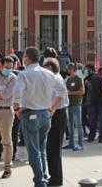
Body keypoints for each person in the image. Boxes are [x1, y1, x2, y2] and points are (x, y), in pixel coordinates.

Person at [13, 47, 56, 187]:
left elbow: (17, 93)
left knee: (33, 152)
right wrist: (52, 108)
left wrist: (17, 109)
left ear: (27, 58)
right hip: (45, 114)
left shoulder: (24, 74)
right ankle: (44, 176)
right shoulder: (49, 74)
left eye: (24, 56)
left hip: (31, 113)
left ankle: (40, 181)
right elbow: (61, 90)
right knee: (41, 149)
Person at [43, 56, 69, 185]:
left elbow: (62, 94)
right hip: (55, 112)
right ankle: (54, 176)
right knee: (51, 147)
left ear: (50, 68)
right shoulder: (53, 78)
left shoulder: (56, 78)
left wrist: (52, 109)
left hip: (58, 113)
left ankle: (56, 178)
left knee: (54, 147)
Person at [86, 66, 102, 143]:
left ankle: (91, 137)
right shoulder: (101, 79)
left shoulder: (93, 78)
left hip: (94, 101)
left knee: (93, 120)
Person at [64, 64, 85, 150]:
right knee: (70, 125)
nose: (68, 70)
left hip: (76, 104)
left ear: (73, 69)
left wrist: (70, 93)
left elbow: (82, 91)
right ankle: (71, 143)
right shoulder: (68, 80)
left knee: (78, 125)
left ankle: (80, 144)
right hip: (69, 104)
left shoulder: (79, 79)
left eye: (69, 68)